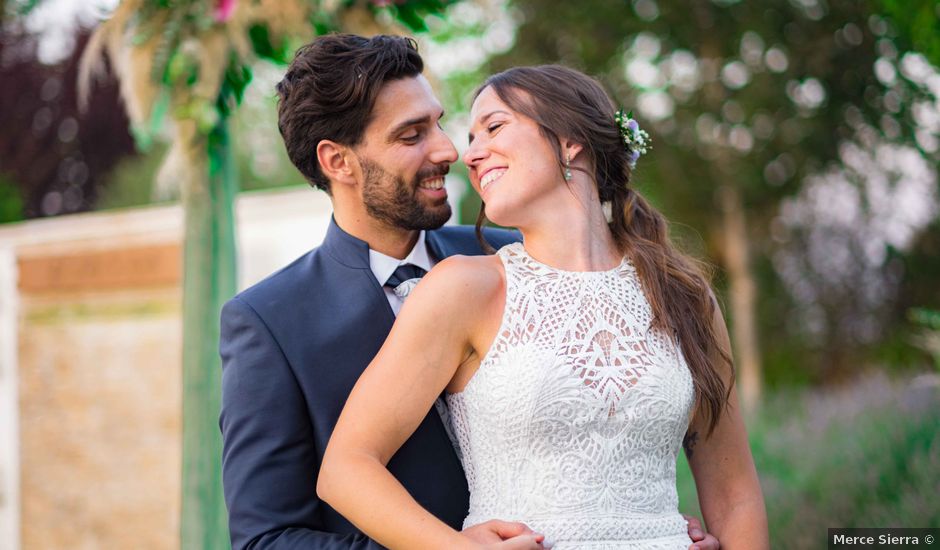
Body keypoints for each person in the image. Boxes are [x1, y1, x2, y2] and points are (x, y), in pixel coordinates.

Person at [219, 34, 719, 550]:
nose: (450, 150)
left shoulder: (521, 258)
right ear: (338, 161)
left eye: (438, 122)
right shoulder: (269, 321)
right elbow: (267, 540)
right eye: (412, 135)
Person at [317, 64, 768, 549]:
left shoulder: (685, 297)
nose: (469, 155)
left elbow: (735, 494)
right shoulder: (464, 288)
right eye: (472, 138)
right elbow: (346, 468)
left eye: (493, 127)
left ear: (570, 139)